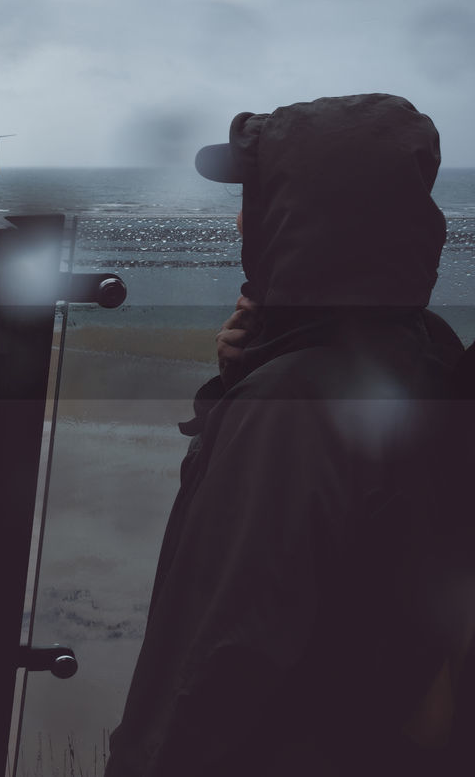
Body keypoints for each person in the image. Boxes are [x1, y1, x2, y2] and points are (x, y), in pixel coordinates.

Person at [105, 93, 475, 776]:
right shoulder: (429, 352)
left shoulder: (294, 406)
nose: (242, 219)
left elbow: (220, 661)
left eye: (256, 197)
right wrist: (247, 374)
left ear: (296, 220)